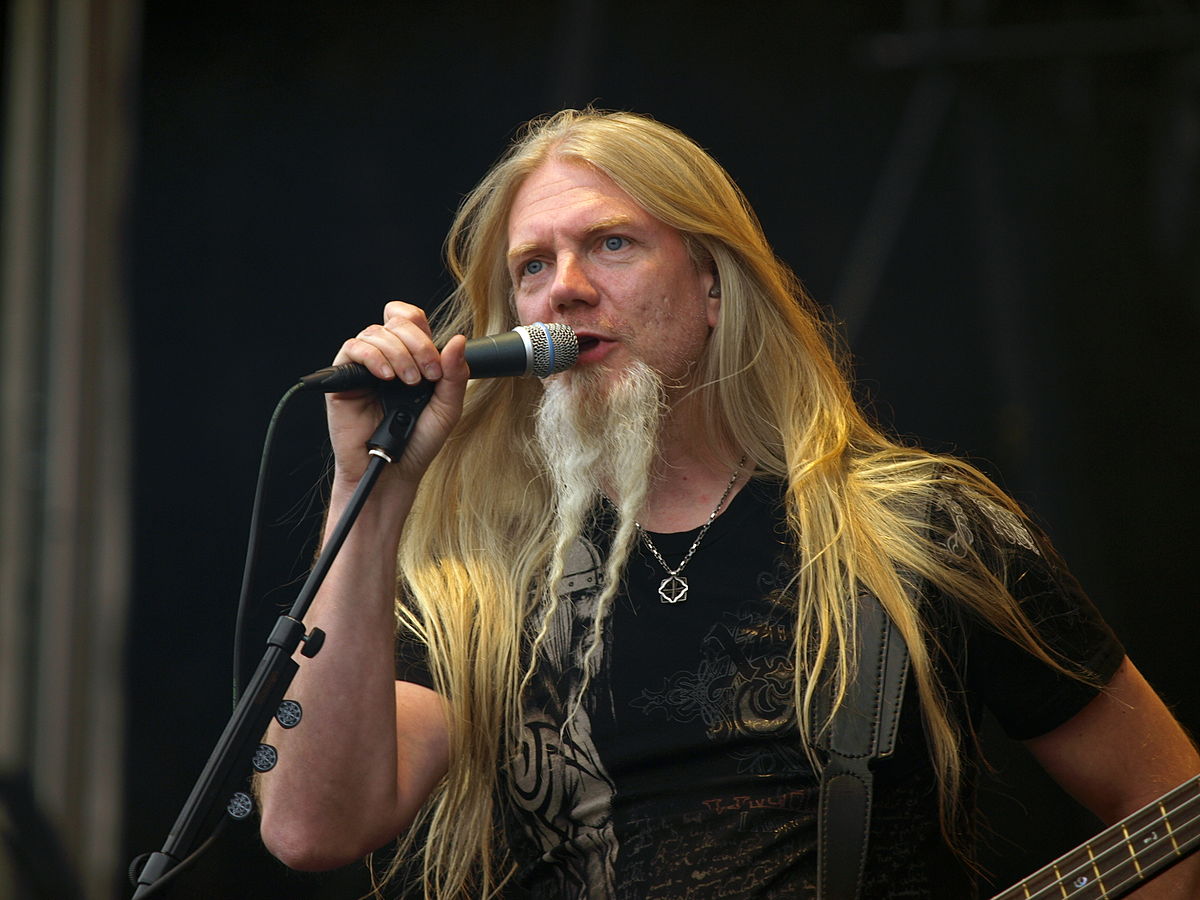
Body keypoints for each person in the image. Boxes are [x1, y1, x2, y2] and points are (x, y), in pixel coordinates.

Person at [256, 109, 1200, 899]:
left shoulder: (920, 532)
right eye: (532, 267)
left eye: (611, 244)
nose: (565, 289)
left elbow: (1167, 803)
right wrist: (369, 488)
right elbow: (309, 828)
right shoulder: (479, 584)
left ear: (711, 286)